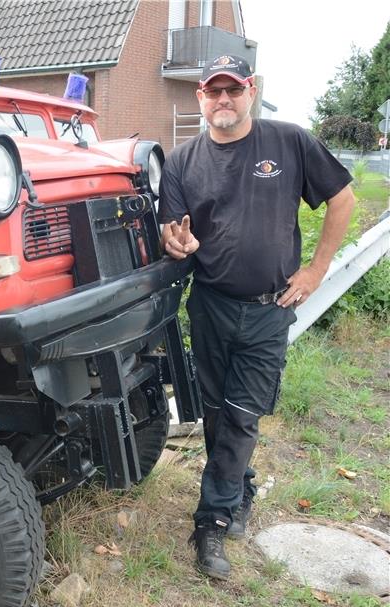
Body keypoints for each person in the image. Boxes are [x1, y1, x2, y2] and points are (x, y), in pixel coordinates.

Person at [158, 55, 354, 580]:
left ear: (251, 91)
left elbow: (343, 198)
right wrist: (178, 244)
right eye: (212, 91)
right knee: (218, 411)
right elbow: (172, 232)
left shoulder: (289, 141)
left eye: (233, 90)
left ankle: (211, 523)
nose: (223, 100)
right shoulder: (180, 162)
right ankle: (239, 487)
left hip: (269, 310)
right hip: (210, 305)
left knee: (243, 413)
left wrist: (316, 268)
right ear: (199, 97)